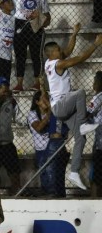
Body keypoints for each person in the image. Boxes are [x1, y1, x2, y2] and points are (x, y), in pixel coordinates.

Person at [43, 27, 102, 189]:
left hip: (63, 109)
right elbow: (80, 58)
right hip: (62, 106)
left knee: (81, 138)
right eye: (57, 50)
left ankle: (74, 172)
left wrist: (74, 34)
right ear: (52, 54)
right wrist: (96, 44)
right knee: (81, 92)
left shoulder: (49, 63)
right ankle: (83, 124)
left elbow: (68, 51)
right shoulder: (59, 64)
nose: (61, 51)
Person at [11, 0, 51, 91]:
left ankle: (38, 82)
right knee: (19, 56)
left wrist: (40, 18)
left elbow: (48, 18)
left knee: (36, 55)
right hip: (20, 24)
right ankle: (19, 83)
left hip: (35, 25)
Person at [0, 77, 21, 195]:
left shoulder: (11, 102)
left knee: (14, 173)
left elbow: (20, 118)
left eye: (6, 90)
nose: (5, 93)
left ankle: (16, 195)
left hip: (7, 143)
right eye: (2, 90)